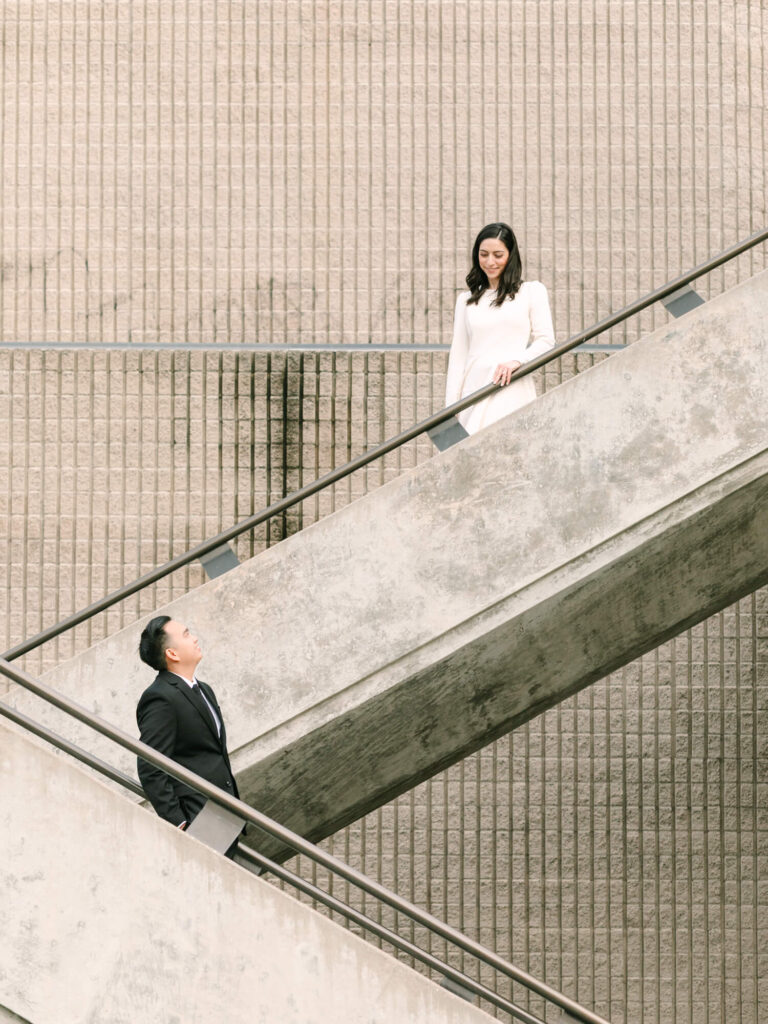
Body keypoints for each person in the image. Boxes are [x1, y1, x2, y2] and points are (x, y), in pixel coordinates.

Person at [136, 616, 241, 853]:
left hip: (224, 814)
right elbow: (150, 765)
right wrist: (180, 823)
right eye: (185, 634)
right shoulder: (161, 697)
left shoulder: (204, 690)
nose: (194, 638)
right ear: (172, 654)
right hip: (198, 819)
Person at [445, 222, 556, 435]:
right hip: (474, 388)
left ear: (510, 255)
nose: (490, 262)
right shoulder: (466, 300)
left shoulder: (531, 291)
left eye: (498, 255)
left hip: (511, 384)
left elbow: (546, 340)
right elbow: (458, 358)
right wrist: (451, 411)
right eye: (483, 254)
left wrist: (517, 361)